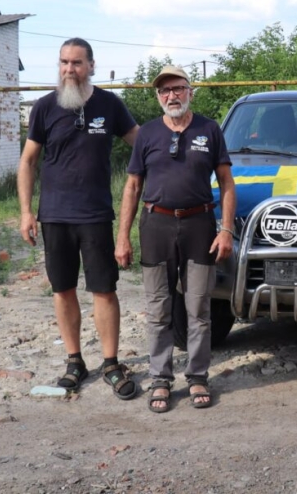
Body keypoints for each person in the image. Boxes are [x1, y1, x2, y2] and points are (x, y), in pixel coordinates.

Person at [18, 37, 139, 400]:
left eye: (76, 63)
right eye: (64, 63)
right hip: (54, 216)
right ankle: (74, 362)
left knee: (104, 289)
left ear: (91, 66)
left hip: (96, 215)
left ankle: (111, 363)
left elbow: (142, 142)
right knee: (63, 290)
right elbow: (28, 162)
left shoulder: (109, 104)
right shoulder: (44, 107)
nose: (69, 70)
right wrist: (26, 212)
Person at [115, 65, 236, 413]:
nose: (172, 95)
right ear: (158, 96)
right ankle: (160, 379)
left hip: (200, 225)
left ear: (190, 91)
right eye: (165, 91)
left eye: (178, 88)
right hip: (156, 226)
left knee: (198, 307)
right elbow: (133, 187)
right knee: (158, 309)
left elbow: (227, 183)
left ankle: (197, 375)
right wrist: (122, 237)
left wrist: (225, 229)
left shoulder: (209, 129)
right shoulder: (148, 134)